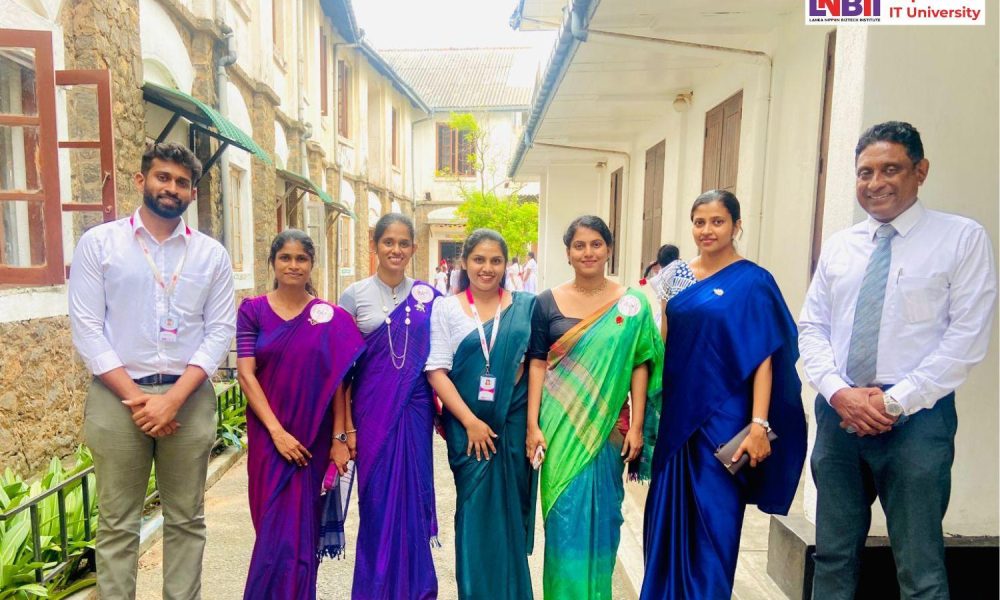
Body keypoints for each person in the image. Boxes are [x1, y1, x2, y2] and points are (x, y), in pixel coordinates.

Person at [799, 121, 997, 599]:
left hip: (917, 422)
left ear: (920, 171)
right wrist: (840, 394)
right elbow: (812, 328)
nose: (876, 183)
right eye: (865, 172)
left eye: (891, 169)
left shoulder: (960, 238)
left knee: (920, 564)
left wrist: (894, 403)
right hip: (839, 417)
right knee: (832, 558)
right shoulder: (841, 246)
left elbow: (966, 338)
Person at [68, 142, 236, 599]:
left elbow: (219, 331)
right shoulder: (100, 244)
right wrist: (139, 399)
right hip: (116, 398)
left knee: (186, 517)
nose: (171, 187)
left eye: (182, 182)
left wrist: (173, 398)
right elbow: (87, 328)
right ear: (141, 181)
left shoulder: (211, 255)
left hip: (189, 398)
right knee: (117, 522)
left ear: (192, 193)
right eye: (163, 177)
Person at [640, 190, 806, 599]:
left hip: (727, 417)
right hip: (678, 416)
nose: (707, 230)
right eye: (699, 222)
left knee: (717, 521)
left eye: (717, 221)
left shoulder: (754, 281)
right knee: (667, 520)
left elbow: (764, 359)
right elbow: (666, 340)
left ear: (736, 225)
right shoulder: (674, 275)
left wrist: (758, 425)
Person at [527, 216, 663, 599]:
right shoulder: (546, 302)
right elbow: (537, 362)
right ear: (568, 253)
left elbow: (641, 361)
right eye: (579, 246)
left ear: (609, 249)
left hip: (608, 431)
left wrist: (636, 427)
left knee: (604, 522)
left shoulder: (631, 304)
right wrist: (532, 425)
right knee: (564, 525)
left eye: (596, 244)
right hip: (558, 431)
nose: (588, 252)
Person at [238, 230, 364, 599]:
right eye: (285, 258)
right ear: (273, 263)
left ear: (312, 265)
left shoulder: (331, 318)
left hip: (313, 440)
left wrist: (340, 438)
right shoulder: (253, 310)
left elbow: (341, 382)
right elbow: (246, 375)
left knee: (301, 537)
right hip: (269, 438)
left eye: (301, 259)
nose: (293, 265)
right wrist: (276, 432)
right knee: (272, 533)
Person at [426, 229, 537, 599]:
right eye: (479, 259)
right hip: (468, 434)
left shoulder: (526, 305)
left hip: (513, 425)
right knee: (474, 520)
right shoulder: (446, 307)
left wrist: (528, 421)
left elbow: (539, 362)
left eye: (495, 260)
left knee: (508, 523)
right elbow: (437, 370)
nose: (487, 268)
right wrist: (470, 422)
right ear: (464, 262)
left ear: (506, 265)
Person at [339, 214, 440, 599]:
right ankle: (376, 589)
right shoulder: (354, 296)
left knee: (414, 500)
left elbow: (444, 358)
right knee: (378, 505)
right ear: (375, 245)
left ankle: (416, 591)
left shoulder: (428, 297)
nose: (396, 250)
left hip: (414, 410)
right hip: (370, 410)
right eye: (388, 242)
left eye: (403, 243)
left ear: (413, 248)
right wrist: (345, 429)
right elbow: (342, 371)